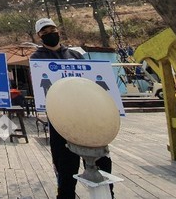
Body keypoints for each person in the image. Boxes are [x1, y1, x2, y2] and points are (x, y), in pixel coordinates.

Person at [30, 18, 114, 199]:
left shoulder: (75, 55)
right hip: (60, 121)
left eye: (51, 29)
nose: (49, 34)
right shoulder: (37, 58)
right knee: (66, 169)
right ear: (39, 36)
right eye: (44, 32)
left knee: (102, 165)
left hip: (88, 117)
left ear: (57, 30)